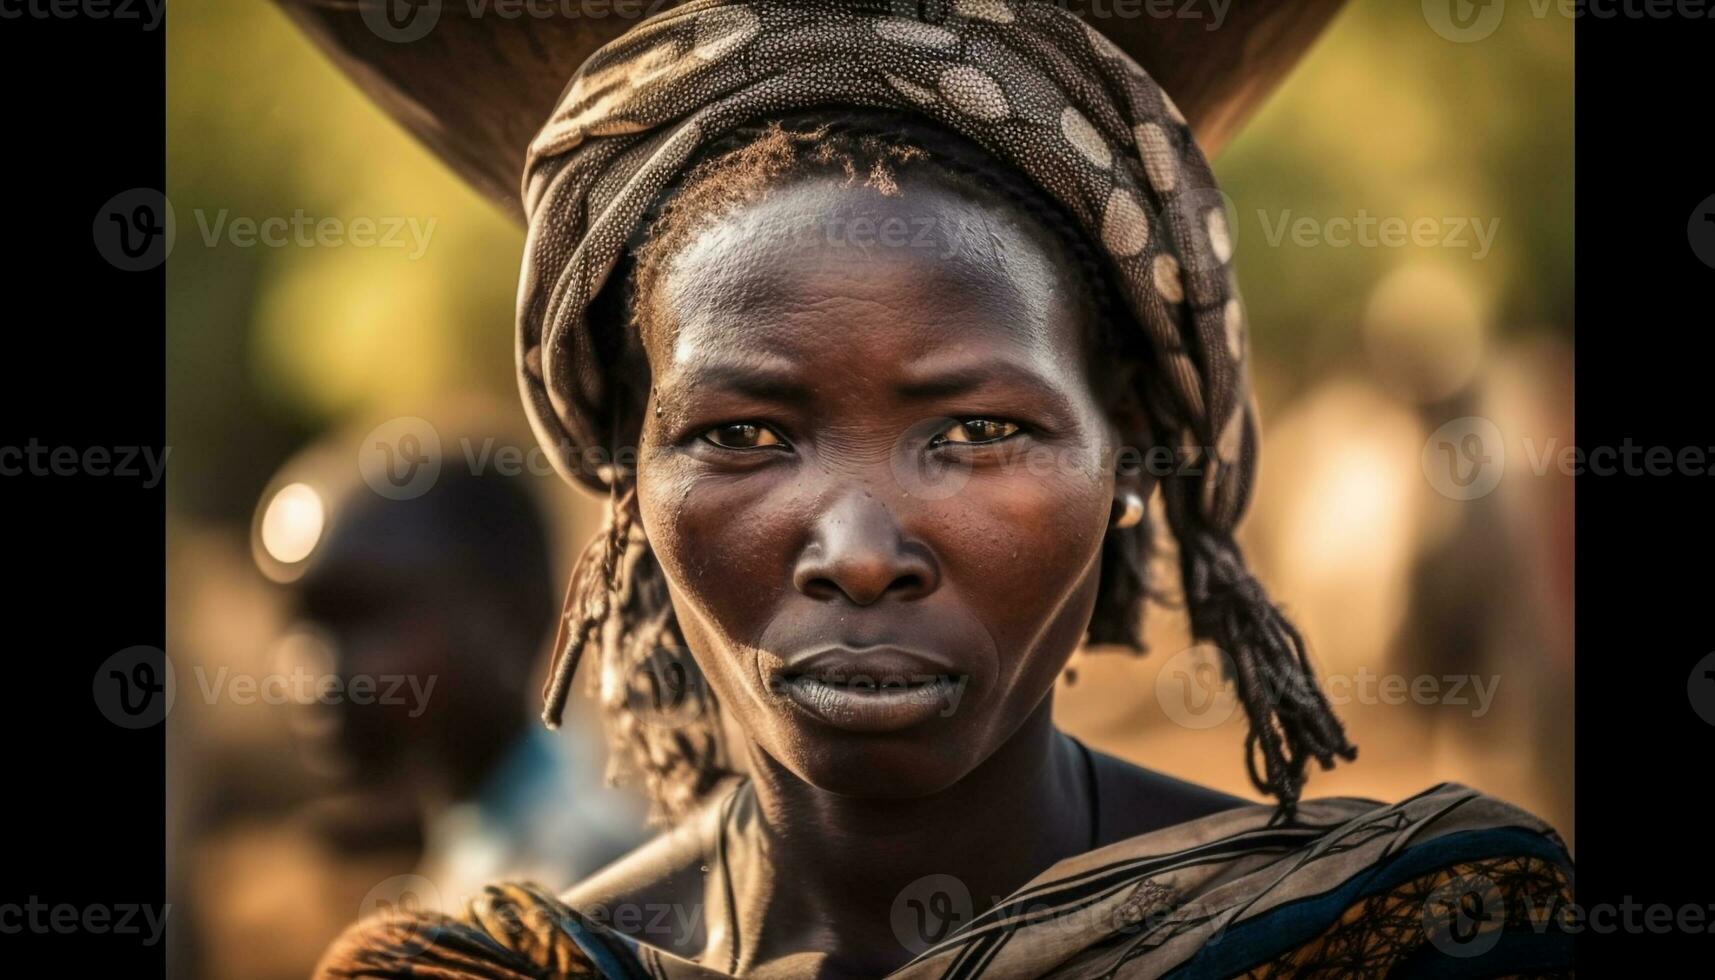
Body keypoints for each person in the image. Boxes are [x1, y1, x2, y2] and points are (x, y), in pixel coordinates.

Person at [316, 2, 1574, 976]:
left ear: (1131, 450)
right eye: (745, 432)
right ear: (622, 477)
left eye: (977, 429)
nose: (860, 551)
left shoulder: (1402, 934)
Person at [259, 438, 646, 908]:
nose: (311, 668)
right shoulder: (472, 856)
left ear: (511, 615)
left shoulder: (590, 884)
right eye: (299, 624)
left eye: (362, 614)